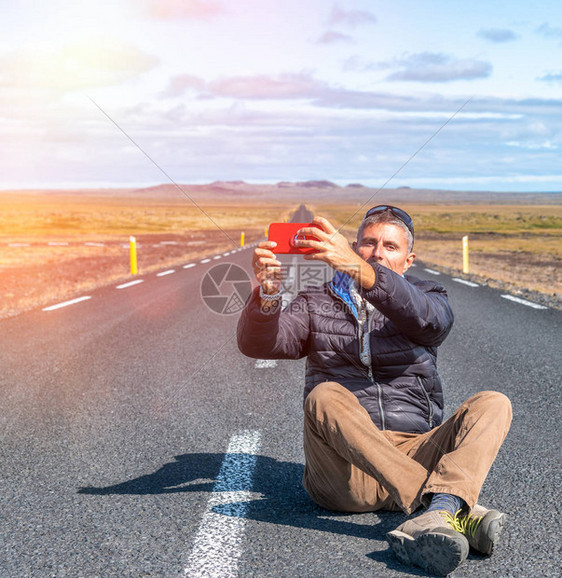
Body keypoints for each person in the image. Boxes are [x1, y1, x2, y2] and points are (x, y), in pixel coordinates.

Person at [237, 205, 512, 576]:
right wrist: (268, 295)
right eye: (368, 243)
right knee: (324, 396)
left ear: (408, 259)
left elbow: (431, 323)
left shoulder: (428, 296)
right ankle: (445, 508)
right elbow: (261, 346)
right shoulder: (314, 301)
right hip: (346, 473)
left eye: (390, 246)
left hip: (415, 450)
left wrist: (361, 272)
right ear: (353, 246)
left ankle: (439, 510)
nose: (378, 251)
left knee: (493, 404)